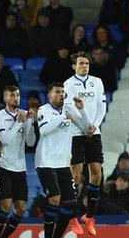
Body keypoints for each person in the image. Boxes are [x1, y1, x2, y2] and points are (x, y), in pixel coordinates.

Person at [35, 83, 91, 238]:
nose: (61, 94)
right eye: (57, 92)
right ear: (50, 96)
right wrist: (63, 117)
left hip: (63, 163)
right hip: (46, 162)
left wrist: (81, 109)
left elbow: (87, 128)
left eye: (63, 92)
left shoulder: (69, 108)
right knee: (55, 198)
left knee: (71, 202)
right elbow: (44, 130)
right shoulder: (44, 110)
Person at [63, 52, 107, 235]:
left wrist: (94, 126)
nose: (85, 66)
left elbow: (102, 106)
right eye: (81, 63)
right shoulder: (68, 84)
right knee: (76, 176)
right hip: (76, 134)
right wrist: (84, 126)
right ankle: (73, 218)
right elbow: (70, 109)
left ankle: (89, 217)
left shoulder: (97, 81)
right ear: (74, 66)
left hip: (93, 133)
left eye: (87, 63)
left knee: (97, 174)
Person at [0, 85, 37, 238]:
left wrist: (29, 122)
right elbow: (5, 140)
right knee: (5, 205)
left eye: (17, 95)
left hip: (20, 168)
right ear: (5, 98)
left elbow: (30, 143)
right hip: (3, 167)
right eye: (11, 95)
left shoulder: (24, 115)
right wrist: (19, 122)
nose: (15, 98)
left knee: (21, 209)